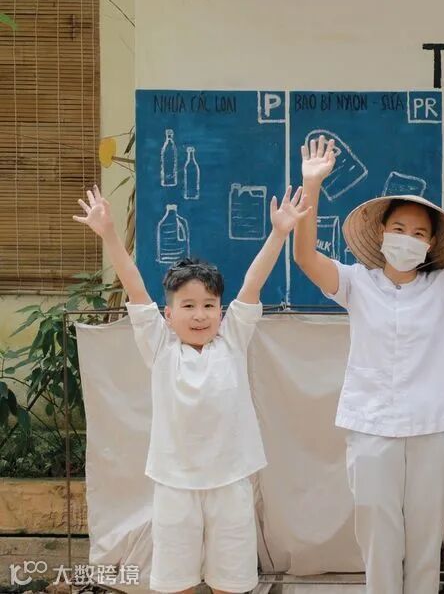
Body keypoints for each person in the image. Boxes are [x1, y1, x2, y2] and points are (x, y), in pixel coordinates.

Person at [291, 135, 444, 593]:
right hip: (370, 424)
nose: (408, 238)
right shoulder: (355, 282)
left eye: (420, 233)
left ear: (431, 244)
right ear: (382, 233)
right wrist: (312, 186)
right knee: (377, 533)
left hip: (433, 425)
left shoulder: (443, 286)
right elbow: (305, 256)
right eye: (400, 228)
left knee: (425, 535)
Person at [73, 185, 309, 593]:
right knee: (175, 583)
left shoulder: (233, 340)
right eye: (188, 306)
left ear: (221, 310)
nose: (199, 315)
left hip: (231, 484)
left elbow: (252, 284)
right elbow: (135, 288)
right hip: (174, 486)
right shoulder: (160, 346)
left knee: (231, 583)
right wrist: (109, 234)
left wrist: (278, 233)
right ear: (168, 314)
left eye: (208, 305)